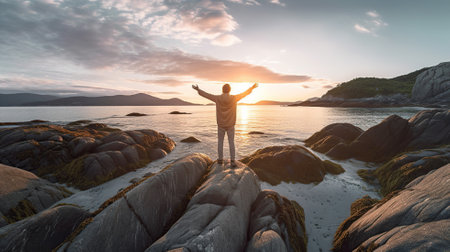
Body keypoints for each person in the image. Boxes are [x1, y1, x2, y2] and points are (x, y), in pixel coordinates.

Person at [192, 83, 258, 167]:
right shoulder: (234, 98)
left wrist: (198, 89)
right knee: (231, 143)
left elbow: (207, 95)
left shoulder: (218, 98)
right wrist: (251, 88)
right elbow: (244, 94)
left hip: (221, 124)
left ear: (222, 90)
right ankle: (233, 161)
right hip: (231, 124)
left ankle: (220, 159)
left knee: (220, 142)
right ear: (229, 90)